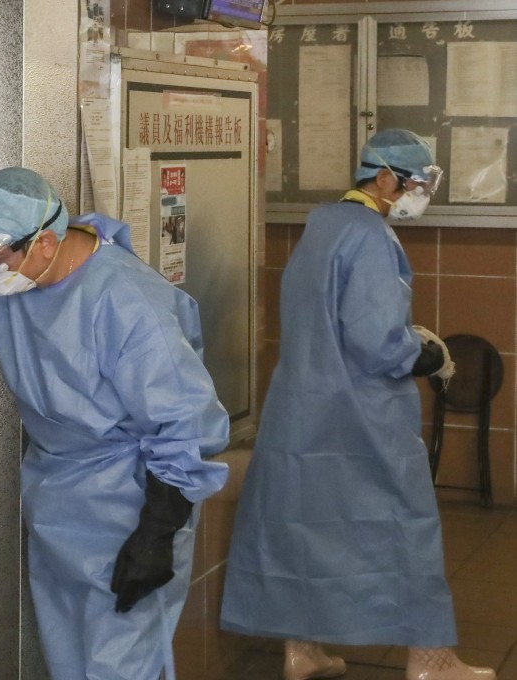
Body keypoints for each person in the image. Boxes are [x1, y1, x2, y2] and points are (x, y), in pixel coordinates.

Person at [0, 167, 230, 680]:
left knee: (120, 662)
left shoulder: (126, 302)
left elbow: (184, 421)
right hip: (60, 497)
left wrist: (158, 528)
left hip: (133, 502)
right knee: (69, 657)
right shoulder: (11, 272)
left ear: (45, 242)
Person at [219, 129, 495, 680]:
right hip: (359, 416)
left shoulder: (322, 225)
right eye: (415, 184)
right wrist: (421, 352)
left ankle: (302, 651)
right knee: (405, 526)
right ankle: (431, 660)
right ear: (385, 177)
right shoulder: (370, 236)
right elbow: (376, 341)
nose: (417, 194)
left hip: (301, 410)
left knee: (300, 526)